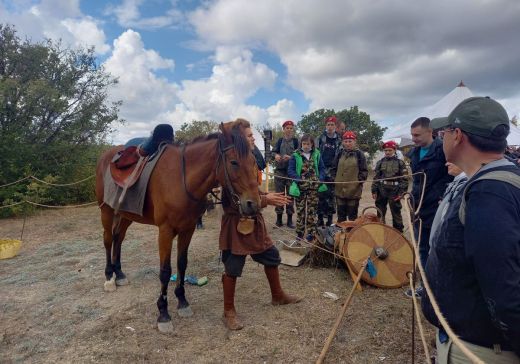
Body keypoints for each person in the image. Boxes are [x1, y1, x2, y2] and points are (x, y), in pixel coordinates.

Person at [422, 96, 520, 362]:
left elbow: (505, 287)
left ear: (458, 136)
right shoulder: (489, 183)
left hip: (481, 352)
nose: (441, 138)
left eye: (444, 132)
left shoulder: (490, 194)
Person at [219, 125, 302, 331]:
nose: (252, 139)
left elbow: (253, 190)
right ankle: (228, 310)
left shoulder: (248, 159)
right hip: (236, 225)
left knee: (271, 256)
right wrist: (267, 200)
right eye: (249, 136)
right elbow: (235, 200)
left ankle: (278, 296)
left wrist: (265, 198)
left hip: (254, 222)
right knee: (232, 267)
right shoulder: (232, 164)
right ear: (239, 137)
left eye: (252, 135)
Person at [406, 117, 453, 297]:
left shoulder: (443, 151)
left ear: (429, 131)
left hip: (437, 208)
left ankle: (438, 288)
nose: (414, 138)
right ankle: (426, 288)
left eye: (417, 135)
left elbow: (451, 177)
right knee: (422, 248)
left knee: (437, 249)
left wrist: (442, 197)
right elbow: (417, 181)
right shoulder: (413, 154)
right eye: (412, 135)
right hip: (418, 208)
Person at [287, 134, 327, 241]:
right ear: (301, 144)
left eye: (308, 144)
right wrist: (297, 179)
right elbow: (290, 170)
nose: (305, 146)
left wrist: (321, 179)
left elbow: (322, 168)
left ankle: (311, 233)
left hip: (314, 188)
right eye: (304, 144)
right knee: (300, 211)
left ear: (312, 144)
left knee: (312, 211)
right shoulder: (295, 155)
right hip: (300, 188)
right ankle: (299, 233)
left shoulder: (317, 154)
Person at [331, 131, 368, 222]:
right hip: (339, 190)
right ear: (343, 142)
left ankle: (351, 234)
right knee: (341, 216)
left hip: (354, 191)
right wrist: (334, 179)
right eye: (346, 141)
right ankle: (341, 234)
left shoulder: (359, 154)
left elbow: (364, 171)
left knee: (352, 216)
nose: (347, 143)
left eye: (350, 141)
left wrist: (358, 182)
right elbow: (333, 168)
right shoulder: (339, 153)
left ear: (354, 141)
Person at [371, 140, 408, 232]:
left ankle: (398, 232)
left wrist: (401, 192)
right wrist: (374, 190)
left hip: (395, 191)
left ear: (394, 150)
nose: (387, 152)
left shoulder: (400, 163)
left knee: (396, 212)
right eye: (386, 150)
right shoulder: (380, 162)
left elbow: (404, 179)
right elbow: (376, 177)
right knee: (380, 211)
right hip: (381, 189)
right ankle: (380, 230)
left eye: (389, 150)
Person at [317, 116, 343, 226]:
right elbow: (315, 153)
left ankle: (330, 219)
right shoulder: (320, 138)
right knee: (320, 194)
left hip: (333, 171)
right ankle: (320, 219)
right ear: (326, 126)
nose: (330, 127)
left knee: (331, 196)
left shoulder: (339, 139)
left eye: (332, 125)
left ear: (336, 126)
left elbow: (341, 155)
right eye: (328, 124)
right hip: (321, 170)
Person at [272, 120, 299, 228]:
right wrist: (276, 156)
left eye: (291, 128)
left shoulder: (296, 141)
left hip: (291, 172)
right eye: (287, 128)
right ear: (283, 130)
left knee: (290, 196)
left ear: (293, 130)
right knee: (279, 195)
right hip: (280, 171)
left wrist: (291, 156)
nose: (289, 130)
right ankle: (278, 220)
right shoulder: (279, 141)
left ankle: (289, 220)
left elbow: (300, 153)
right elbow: (273, 152)